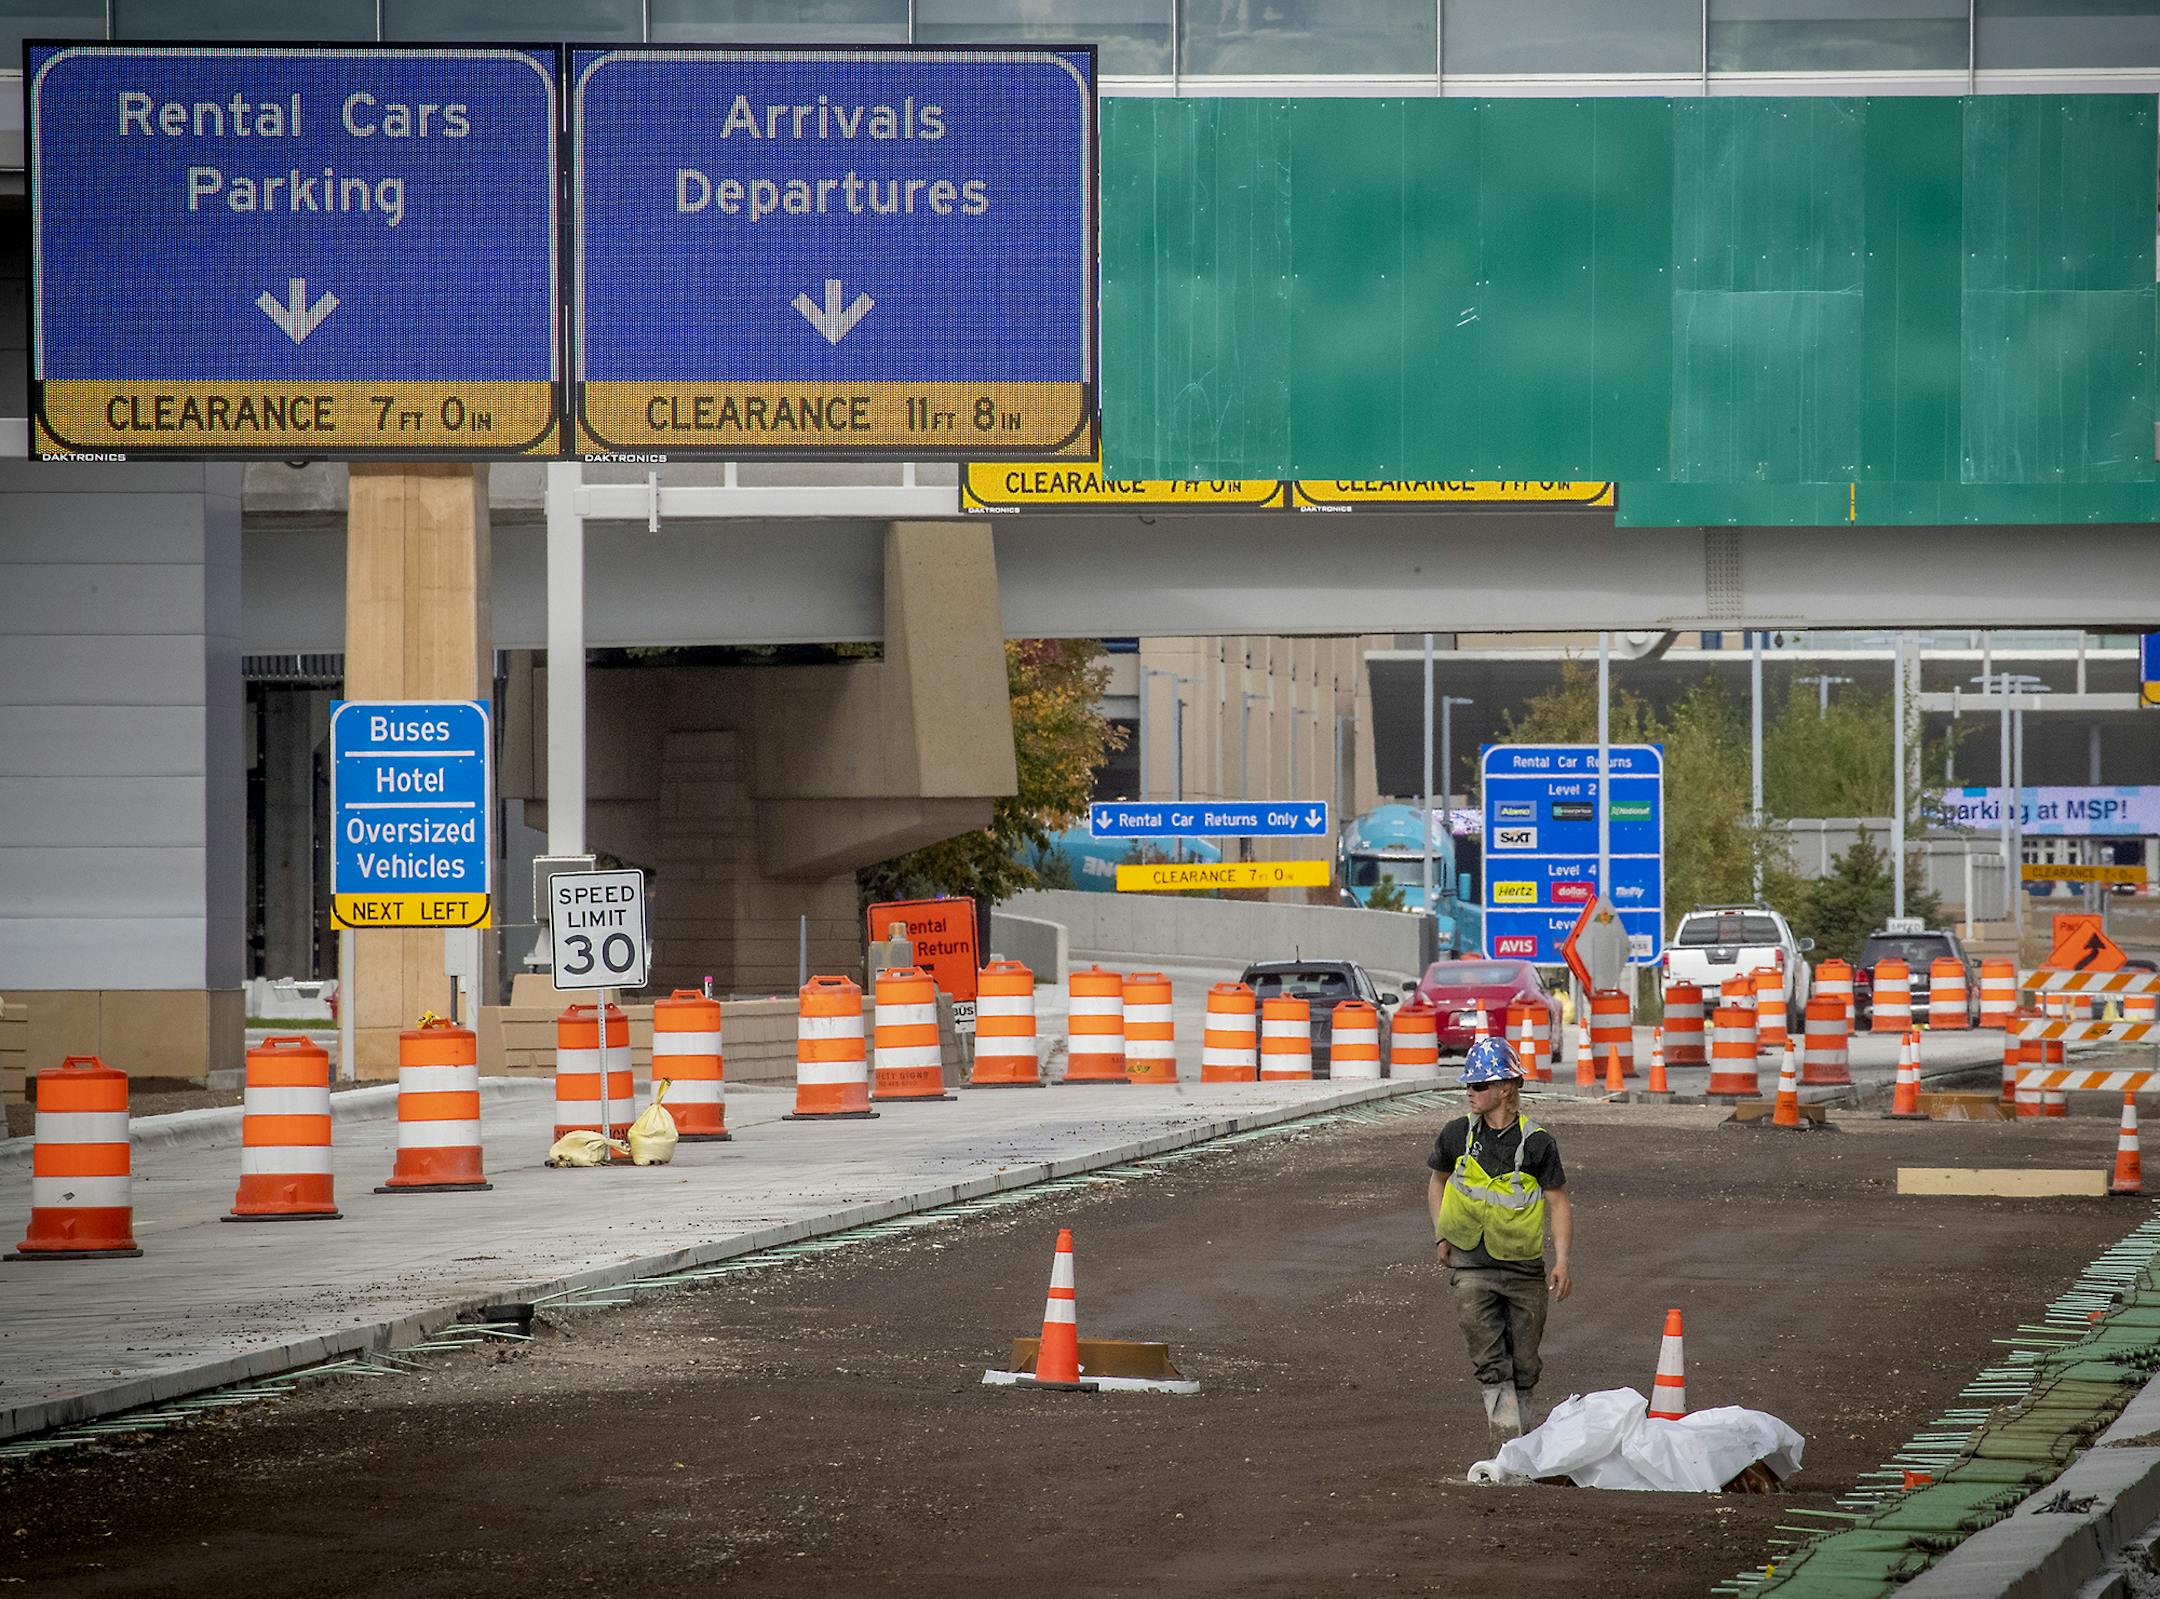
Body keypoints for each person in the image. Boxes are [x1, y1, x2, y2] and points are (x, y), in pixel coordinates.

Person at [1426, 1034, 1573, 1451]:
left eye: (1478, 1085)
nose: (1469, 1093)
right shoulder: (1457, 1135)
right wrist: (1441, 1231)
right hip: (1471, 1265)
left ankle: (1522, 1440)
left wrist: (1563, 1261)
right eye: (1468, 1086)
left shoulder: (1538, 1143)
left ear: (1505, 1089)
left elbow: (1558, 1202)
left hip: (1524, 1267)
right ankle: (1506, 1444)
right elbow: (1436, 1182)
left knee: (1524, 1363)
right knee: (1491, 1361)